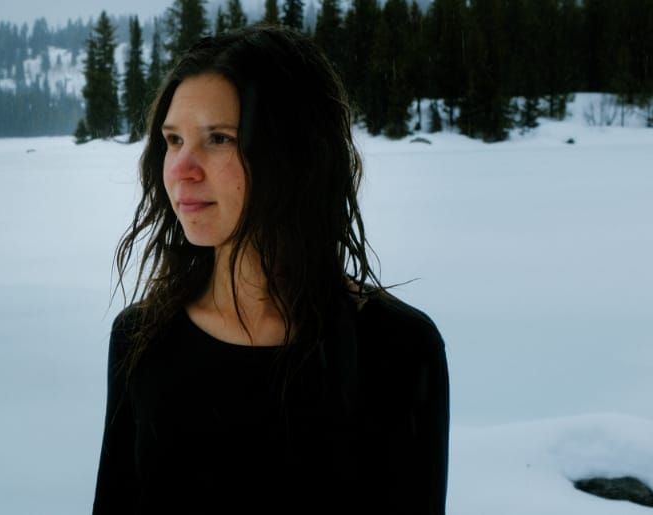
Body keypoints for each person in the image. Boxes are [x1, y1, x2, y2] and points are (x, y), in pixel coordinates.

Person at [93, 26, 449, 514]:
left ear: (293, 155)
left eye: (219, 139)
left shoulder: (397, 349)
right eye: (173, 140)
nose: (180, 169)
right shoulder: (141, 339)